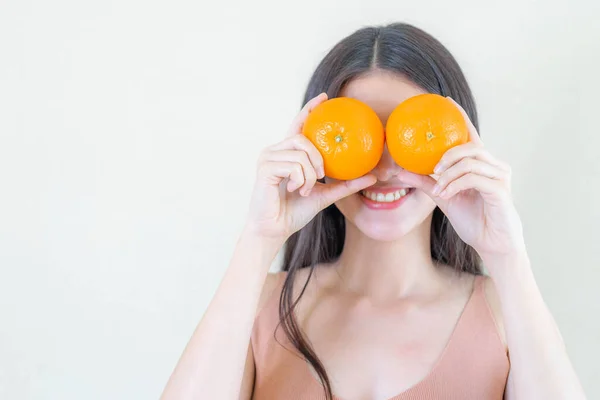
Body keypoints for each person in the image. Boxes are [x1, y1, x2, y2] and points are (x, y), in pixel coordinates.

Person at [161, 23, 585, 400]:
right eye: (361, 136)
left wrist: (508, 256)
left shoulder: (505, 310)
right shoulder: (258, 305)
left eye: (409, 135)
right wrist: (258, 239)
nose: (384, 170)